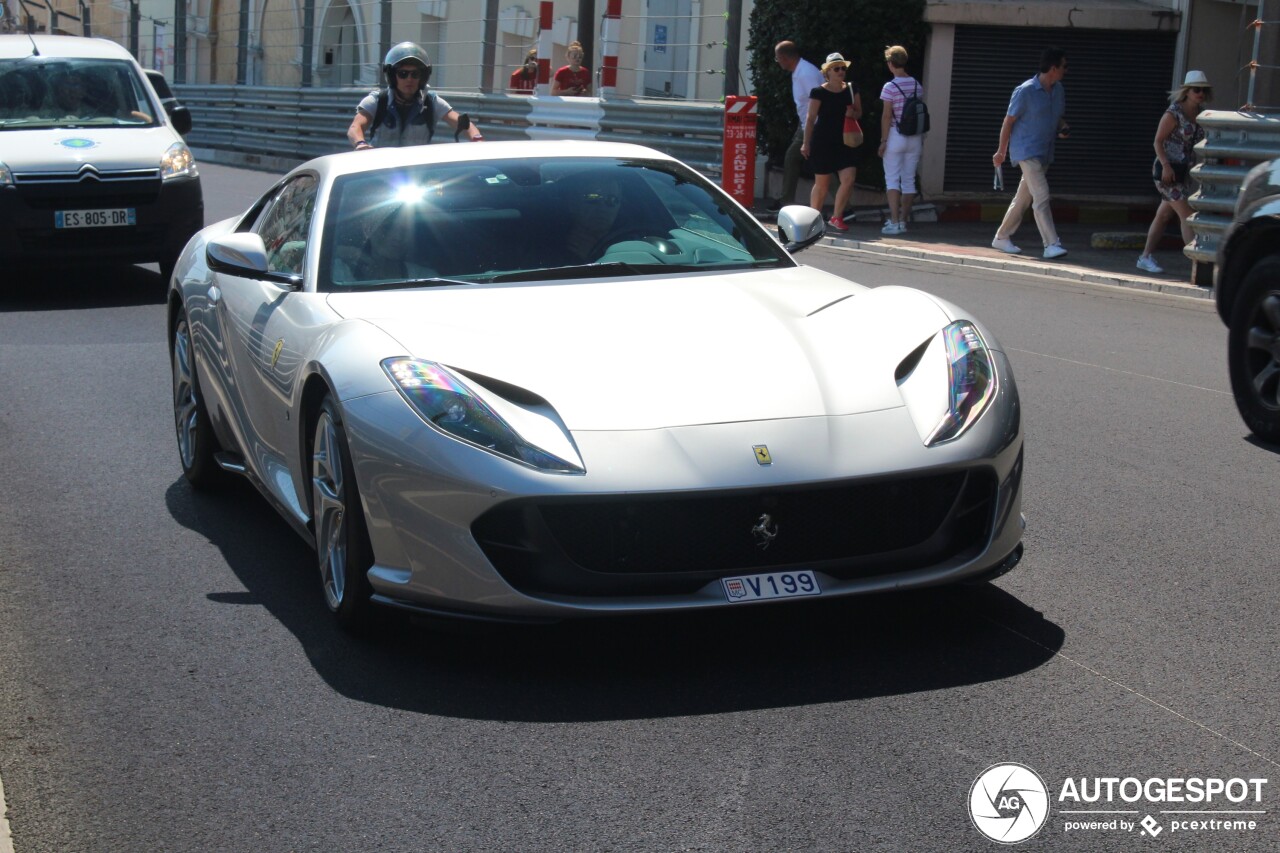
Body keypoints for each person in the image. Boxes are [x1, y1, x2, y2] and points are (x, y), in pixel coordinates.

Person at [991, 46, 1070, 259]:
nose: (1066, 70)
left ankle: (1002, 236)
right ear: (1053, 68)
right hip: (1026, 152)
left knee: (1023, 198)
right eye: (1064, 66)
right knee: (1042, 196)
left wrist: (1063, 127)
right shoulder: (1025, 91)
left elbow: (1057, 117)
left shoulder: (1059, 90)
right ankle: (1051, 243)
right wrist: (1001, 151)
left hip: (1045, 152)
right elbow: (1008, 121)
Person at [1137, 71, 1212, 274]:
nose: (1200, 94)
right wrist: (1166, 165)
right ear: (1186, 91)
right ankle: (1197, 262)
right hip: (1167, 172)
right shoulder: (1174, 112)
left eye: (1204, 90)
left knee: (1163, 216)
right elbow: (1158, 141)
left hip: (1183, 172)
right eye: (1196, 90)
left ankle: (1144, 256)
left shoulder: (1201, 115)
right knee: (1186, 215)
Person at [347, 42, 482, 149]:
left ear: (422, 77)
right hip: (381, 172)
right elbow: (355, 127)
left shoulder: (431, 102)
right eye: (403, 74)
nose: (409, 79)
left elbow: (463, 123)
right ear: (393, 76)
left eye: (415, 74)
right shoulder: (377, 101)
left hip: (417, 174)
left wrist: (477, 139)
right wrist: (360, 144)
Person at [802, 52, 860, 232]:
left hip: (845, 140)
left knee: (849, 178)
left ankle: (836, 217)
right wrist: (806, 143)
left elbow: (859, 112)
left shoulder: (851, 89)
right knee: (822, 184)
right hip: (823, 141)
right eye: (837, 68)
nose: (841, 71)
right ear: (827, 72)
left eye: (843, 68)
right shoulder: (818, 92)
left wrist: (853, 114)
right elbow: (811, 118)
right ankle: (813, 220)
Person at [768, 40, 823, 211]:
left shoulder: (805, 73)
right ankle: (844, 208)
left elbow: (819, 99)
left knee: (802, 159)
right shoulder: (801, 70)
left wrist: (812, 128)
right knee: (816, 162)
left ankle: (786, 202)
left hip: (813, 123)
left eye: (778, 59)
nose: (778, 63)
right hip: (807, 122)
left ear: (785, 58)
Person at [877, 45, 924, 236]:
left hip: (896, 136)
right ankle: (903, 221)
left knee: (892, 180)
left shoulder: (890, 87)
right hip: (914, 138)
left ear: (890, 63)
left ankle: (894, 221)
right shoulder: (916, 85)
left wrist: (883, 140)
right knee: (909, 180)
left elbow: (887, 116)